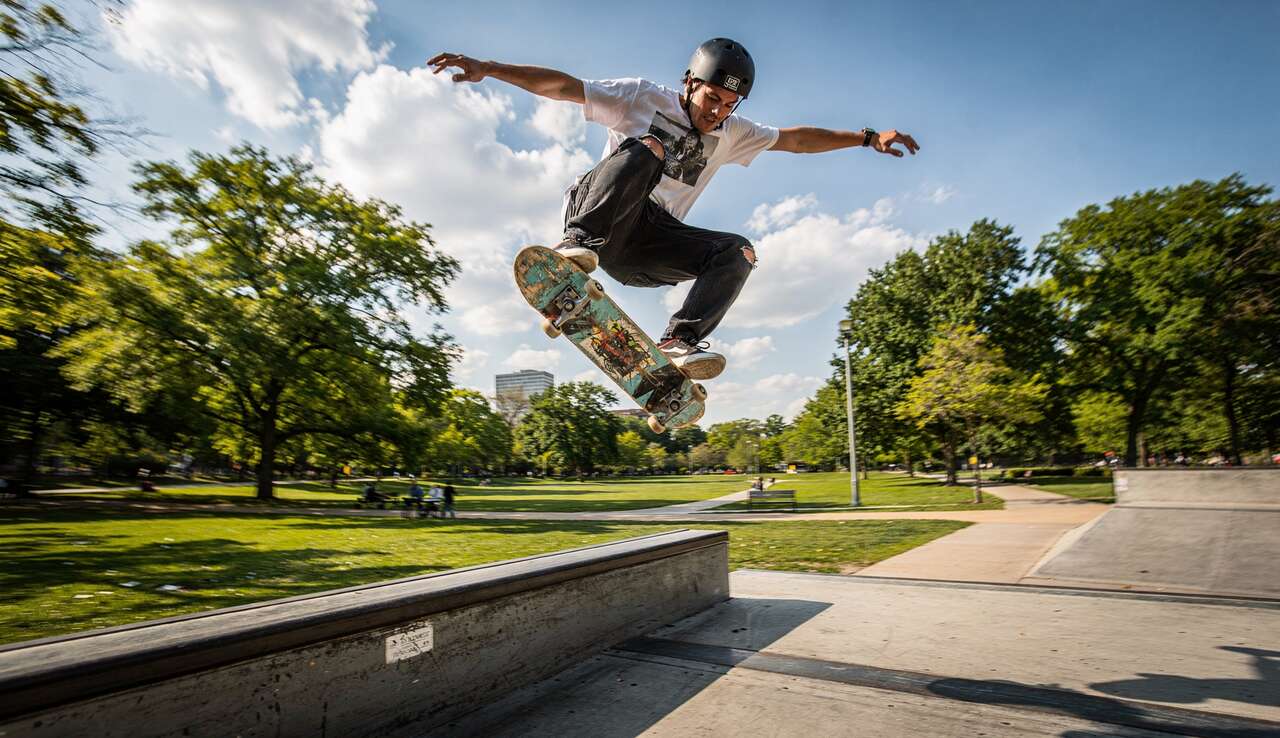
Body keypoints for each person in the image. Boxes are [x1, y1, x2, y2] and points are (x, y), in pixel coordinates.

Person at [428, 40, 918, 379]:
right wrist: (489, 68)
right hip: (601, 213)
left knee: (738, 252)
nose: (717, 112)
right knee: (650, 150)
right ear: (689, 83)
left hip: (645, 246)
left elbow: (796, 140)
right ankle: (574, 249)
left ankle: (678, 343)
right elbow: (563, 86)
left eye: (728, 104)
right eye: (711, 98)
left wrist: (867, 138)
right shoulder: (642, 96)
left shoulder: (733, 132)